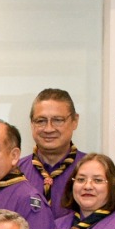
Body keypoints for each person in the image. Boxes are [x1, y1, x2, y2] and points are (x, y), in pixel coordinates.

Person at [19, 88, 85, 221]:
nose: (49, 129)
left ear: (75, 121)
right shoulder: (16, 173)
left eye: (58, 120)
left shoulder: (94, 172)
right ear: (31, 123)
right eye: (41, 121)